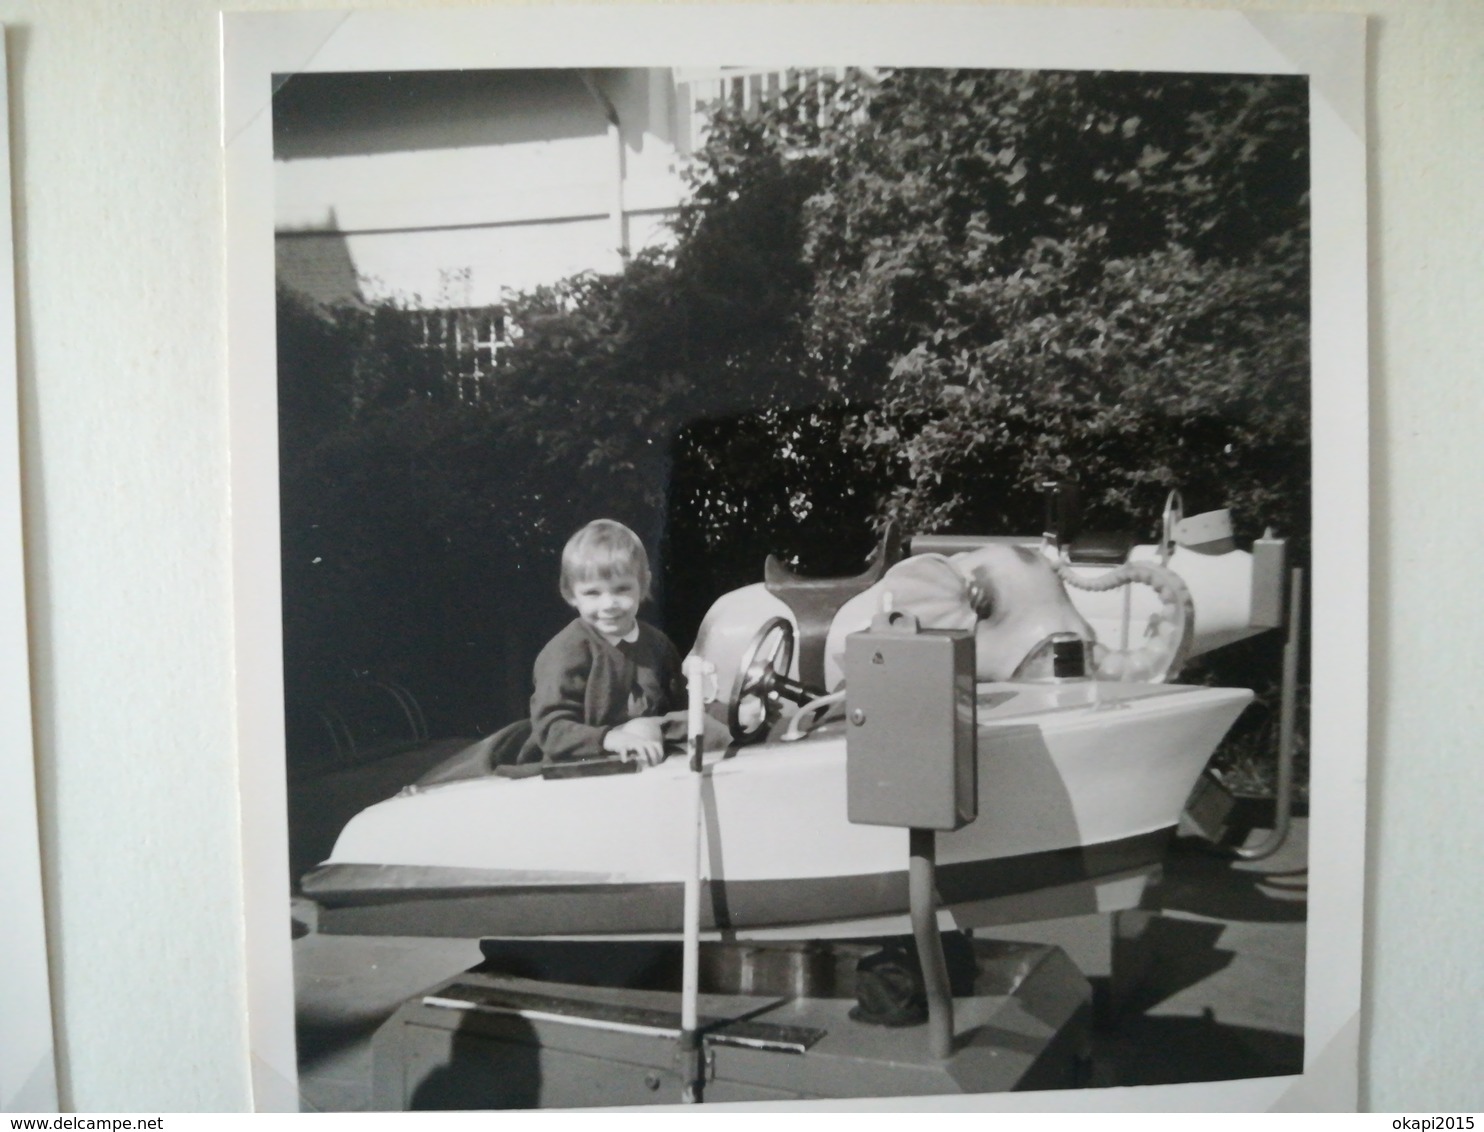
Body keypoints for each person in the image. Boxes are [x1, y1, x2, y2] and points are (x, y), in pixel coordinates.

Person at [516, 519, 684, 768]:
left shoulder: (658, 645)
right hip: (577, 774)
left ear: (644, 585)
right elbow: (551, 728)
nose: (608, 604)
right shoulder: (567, 651)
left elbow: (683, 707)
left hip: (654, 766)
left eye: (621, 589)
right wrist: (610, 738)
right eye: (592, 593)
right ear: (570, 592)